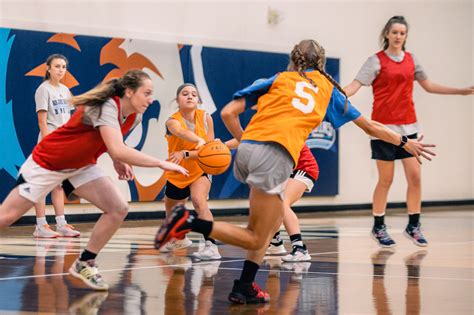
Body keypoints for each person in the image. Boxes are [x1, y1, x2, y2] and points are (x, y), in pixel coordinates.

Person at [155, 39, 435, 304]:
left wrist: (245, 140)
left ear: (294, 59)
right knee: (257, 236)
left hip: (249, 150)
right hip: (275, 156)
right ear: (321, 63)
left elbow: (228, 112)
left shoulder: (278, 78)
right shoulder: (327, 89)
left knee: (266, 227)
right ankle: (190, 221)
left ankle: (244, 286)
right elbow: (371, 127)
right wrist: (404, 142)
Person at [0, 70, 188, 291]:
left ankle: (85, 262)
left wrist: (118, 160)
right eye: (146, 93)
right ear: (129, 92)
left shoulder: (135, 115)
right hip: (48, 162)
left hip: (81, 165)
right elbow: (118, 149)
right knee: (7, 216)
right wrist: (160, 163)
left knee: (118, 208)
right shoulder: (107, 105)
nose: (150, 99)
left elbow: (111, 143)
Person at [343, 16, 474, 248]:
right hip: (383, 130)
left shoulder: (412, 61)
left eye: (402, 33)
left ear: (406, 36)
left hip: (410, 128)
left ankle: (413, 225)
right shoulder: (375, 61)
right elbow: (354, 86)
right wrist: (336, 94)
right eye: (394, 32)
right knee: (386, 179)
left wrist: (460, 91)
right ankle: (379, 226)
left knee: (415, 177)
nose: (398, 36)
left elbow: (429, 86)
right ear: (387, 34)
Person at [159, 83, 221, 260]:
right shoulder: (172, 121)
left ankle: (211, 245)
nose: (190, 96)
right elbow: (181, 133)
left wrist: (187, 153)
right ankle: (179, 239)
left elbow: (209, 151)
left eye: (194, 94)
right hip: (178, 169)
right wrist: (199, 141)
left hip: (200, 167)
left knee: (198, 201)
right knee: (172, 210)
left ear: (198, 100)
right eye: (185, 93)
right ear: (177, 100)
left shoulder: (205, 118)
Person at [32, 54, 79, 238]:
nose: (61, 70)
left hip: (64, 143)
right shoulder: (43, 90)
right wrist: (48, 144)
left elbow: (69, 119)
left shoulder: (66, 90)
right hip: (49, 141)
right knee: (43, 184)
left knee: (58, 185)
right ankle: (41, 226)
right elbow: (42, 122)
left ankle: (61, 224)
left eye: (64, 67)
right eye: (57, 66)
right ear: (48, 68)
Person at [266, 144, 318, 263]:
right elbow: (244, 137)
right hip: (286, 170)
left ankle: (300, 249)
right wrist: (223, 145)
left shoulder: (282, 128)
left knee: (282, 203)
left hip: (303, 167)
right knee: (270, 204)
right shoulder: (263, 128)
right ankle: (275, 243)